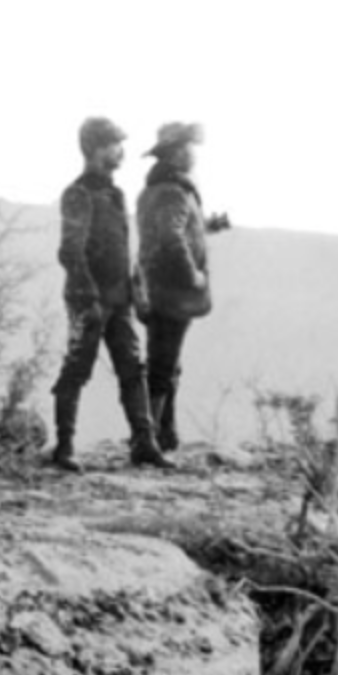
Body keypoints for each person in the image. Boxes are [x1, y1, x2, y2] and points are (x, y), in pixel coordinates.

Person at [49, 117, 172, 472]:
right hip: (89, 301)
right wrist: (88, 299)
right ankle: (64, 447)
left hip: (118, 299)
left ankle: (144, 444)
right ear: (96, 148)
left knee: (133, 370)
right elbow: (70, 252)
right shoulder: (78, 194)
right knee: (77, 369)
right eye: (115, 145)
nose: (121, 152)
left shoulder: (115, 194)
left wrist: (135, 292)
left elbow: (124, 250)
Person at [136, 121, 224, 455]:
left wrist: (208, 226)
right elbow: (171, 238)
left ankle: (164, 434)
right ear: (176, 153)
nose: (193, 154)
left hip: (156, 286)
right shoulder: (173, 192)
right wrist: (193, 277)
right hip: (170, 291)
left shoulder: (161, 190)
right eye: (189, 147)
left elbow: (176, 230)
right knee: (163, 366)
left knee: (167, 363)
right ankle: (147, 441)